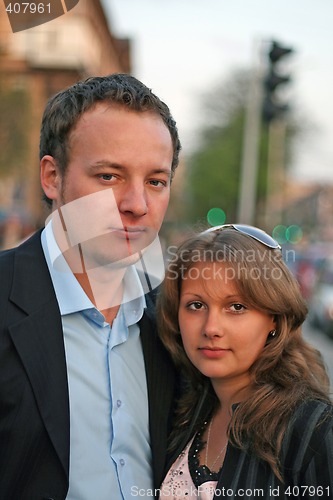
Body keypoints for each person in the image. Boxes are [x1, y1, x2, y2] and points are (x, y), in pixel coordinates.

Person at [0, 73, 182, 500]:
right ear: (52, 177)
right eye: (108, 176)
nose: (136, 205)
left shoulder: (176, 320)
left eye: (155, 181)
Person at [158, 224, 333, 500]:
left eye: (236, 307)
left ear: (274, 318)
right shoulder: (182, 410)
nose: (211, 328)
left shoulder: (314, 431)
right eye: (196, 305)